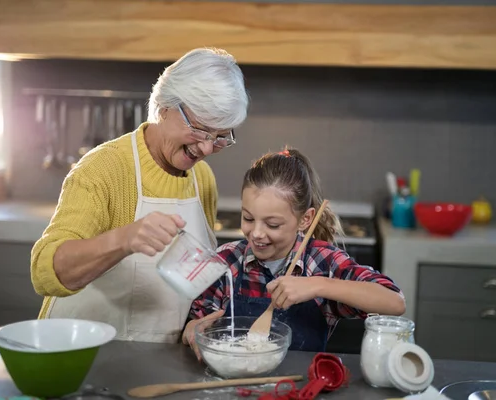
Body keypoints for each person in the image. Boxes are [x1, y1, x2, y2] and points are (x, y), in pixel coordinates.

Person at [30, 48, 249, 343]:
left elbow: (189, 283)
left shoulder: (203, 180)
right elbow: (45, 270)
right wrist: (124, 239)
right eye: (200, 130)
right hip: (79, 354)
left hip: (157, 361)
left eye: (221, 137)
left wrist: (196, 323)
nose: (207, 149)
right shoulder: (102, 169)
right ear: (163, 108)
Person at [182, 148, 406, 357]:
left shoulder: (322, 263)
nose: (256, 233)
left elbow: (394, 302)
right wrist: (193, 328)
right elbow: (197, 322)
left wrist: (318, 285)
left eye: (272, 224)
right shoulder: (226, 261)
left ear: (305, 219)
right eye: (248, 218)